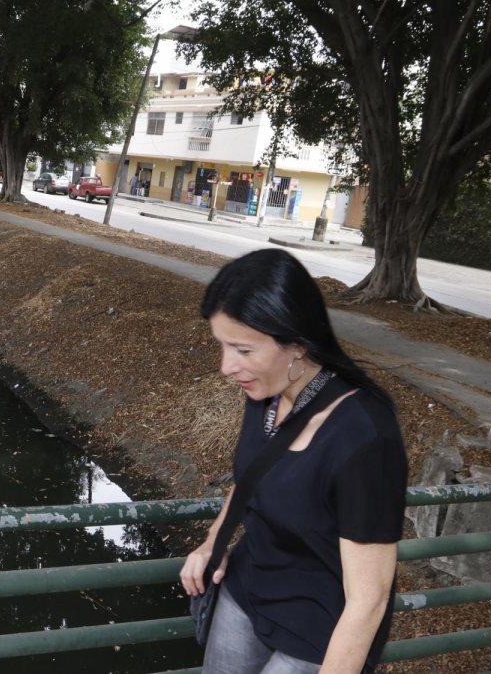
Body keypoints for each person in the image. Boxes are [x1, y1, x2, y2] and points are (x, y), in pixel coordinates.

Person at [180, 248, 407, 673]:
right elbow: (251, 479)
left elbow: (369, 599)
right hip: (245, 592)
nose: (226, 367)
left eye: (242, 350)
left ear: (297, 344)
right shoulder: (264, 393)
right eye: (222, 346)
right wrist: (213, 542)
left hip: (317, 630)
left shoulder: (364, 437)